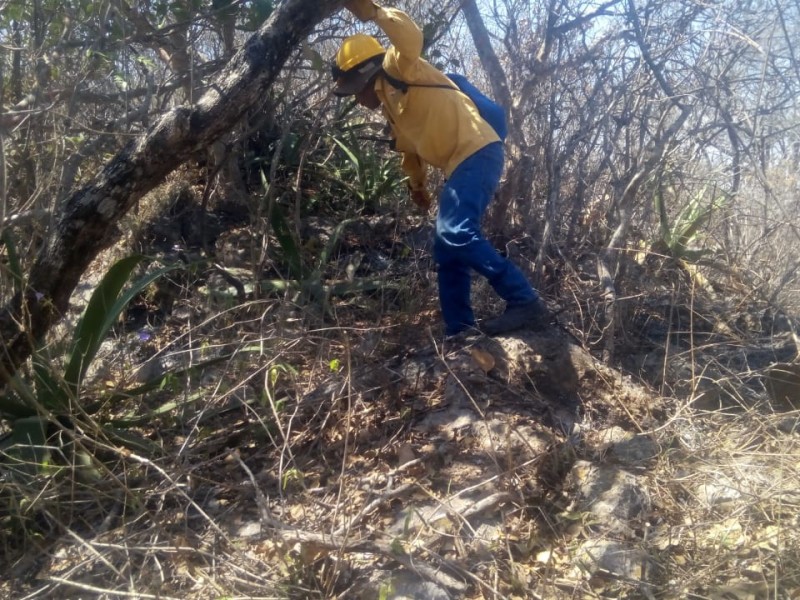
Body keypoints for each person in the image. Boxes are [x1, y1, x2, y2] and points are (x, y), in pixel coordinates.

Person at [332, 0, 549, 337]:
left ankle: (524, 300)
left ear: (364, 77)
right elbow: (410, 156)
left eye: (355, 92)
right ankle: (460, 330)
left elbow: (410, 37)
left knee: (456, 231)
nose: (358, 101)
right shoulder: (391, 108)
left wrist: (374, 12)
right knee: (447, 250)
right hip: (460, 164)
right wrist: (418, 189)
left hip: (477, 149)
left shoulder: (400, 67)